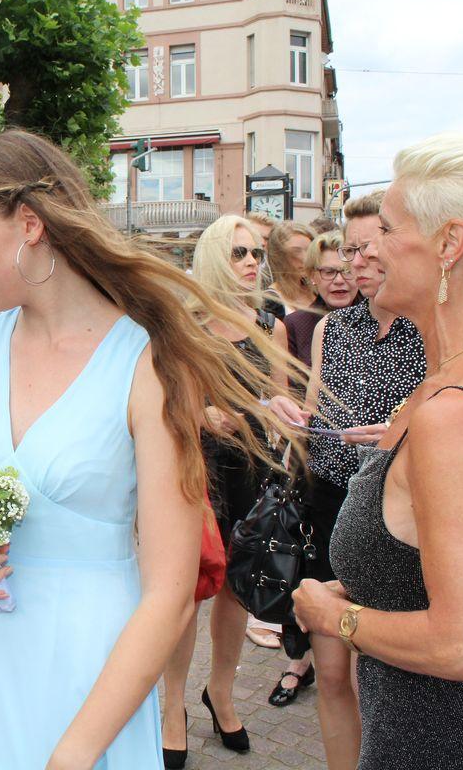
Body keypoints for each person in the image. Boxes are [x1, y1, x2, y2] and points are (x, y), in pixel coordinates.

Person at [0, 131, 294, 769]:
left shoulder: (149, 361)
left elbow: (170, 593)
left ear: (30, 224)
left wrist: (74, 754)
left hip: (92, 668)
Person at [294, 134, 463, 769]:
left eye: (387, 232)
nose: (363, 254)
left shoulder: (456, 415)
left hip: (438, 747)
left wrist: (335, 617)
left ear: (450, 244)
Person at [264, 191, 426, 770]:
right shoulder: (332, 328)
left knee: (375, 678)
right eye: (350, 250)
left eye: (366, 248)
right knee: (332, 673)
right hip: (330, 505)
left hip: (400, 518)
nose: (356, 263)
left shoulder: (427, 327)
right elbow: (313, 413)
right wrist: (283, 411)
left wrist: (399, 434)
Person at [160, 214, 290, 767]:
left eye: (256, 252)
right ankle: (172, 706)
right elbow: (167, 401)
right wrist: (203, 414)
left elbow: (280, 400)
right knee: (189, 592)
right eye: (239, 252)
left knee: (238, 588)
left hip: (253, 473)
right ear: (215, 256)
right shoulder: (186, 324)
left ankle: (221, 692)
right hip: (199, 470)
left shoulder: (270, 325)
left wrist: (282, 416)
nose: (251, 262)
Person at [283, 231, 358, 366]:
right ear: (312, 276)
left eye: (347, 271)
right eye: (328, 272)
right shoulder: (296, 325)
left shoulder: (380, 318)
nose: (339, 280)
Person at [265, 221, 318, 317]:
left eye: (310, 250)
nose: (305, 258)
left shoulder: (317, 290)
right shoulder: (271, 301)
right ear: (279, 255)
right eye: (296, 251)